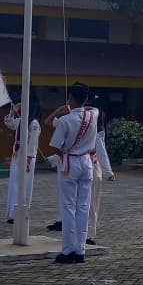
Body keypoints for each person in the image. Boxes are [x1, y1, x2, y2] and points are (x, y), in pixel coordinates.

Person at [45, 82, 99, 264]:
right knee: (83, 207)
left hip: (70, 162)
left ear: (70, 98)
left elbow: (54, 145)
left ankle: (68, 250)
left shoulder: (66, 120)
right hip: (87, 162)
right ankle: (80, 250)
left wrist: (65, 109)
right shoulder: (93, 115)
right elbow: (92, 107)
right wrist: (81, 103)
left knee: (68, 207)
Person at [3, 99, 41, 223]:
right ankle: (13, 212)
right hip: (17, 153)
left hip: (27, 156)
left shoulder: (34, 123)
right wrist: (14, 111)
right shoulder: (21, 120)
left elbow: (33, 142)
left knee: (25, 185)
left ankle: (22, 213)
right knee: (14, 182)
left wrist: (28, 160)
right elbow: (8, 123)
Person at [87, 110, 115, 245]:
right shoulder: (94, 130)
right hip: (90, 167)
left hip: (88, 166)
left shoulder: (94, 131)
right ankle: (88, 233)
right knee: (91, 204)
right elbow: (102, 152)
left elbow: (101, 152)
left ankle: (88, 233)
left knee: (88, 204)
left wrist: (108, 171)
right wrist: (108, 172)